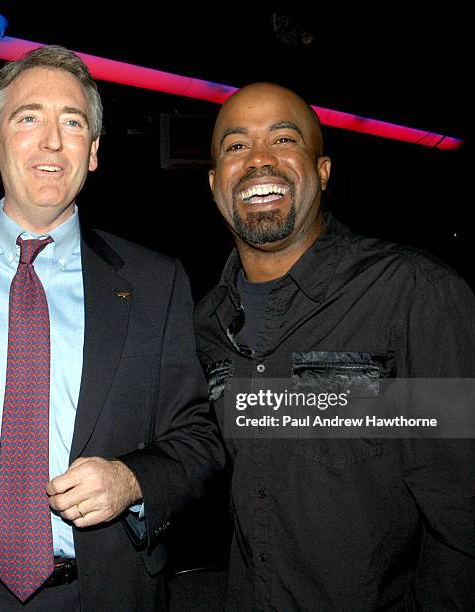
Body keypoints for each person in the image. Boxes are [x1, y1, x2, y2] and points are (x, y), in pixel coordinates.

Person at [0, 46, 225, 611]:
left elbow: (200, 440)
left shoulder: (157, 284)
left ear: (94, 153)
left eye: (73, 122)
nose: (52, 141)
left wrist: (132, 481)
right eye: (28, 117)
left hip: (101, 593)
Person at [194, 82, 475, 610]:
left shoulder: (412, 295)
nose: (258, 160)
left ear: (322, 171)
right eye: (236, 146)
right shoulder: (206, 324)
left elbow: (463, 514)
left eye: (282, 139)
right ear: (215, 182)